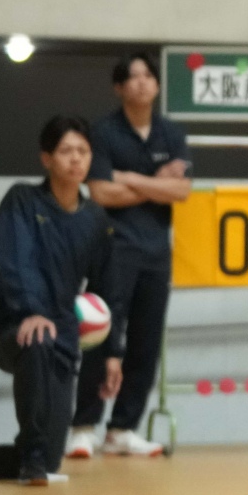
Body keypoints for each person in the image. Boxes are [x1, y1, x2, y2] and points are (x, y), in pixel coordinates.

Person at [0, 117, 115, 485]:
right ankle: (32, 464)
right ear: (46, 158)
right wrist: (32, 312)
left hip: (63, 338)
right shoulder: (22, 200)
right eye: (66, 150)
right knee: (37, 340)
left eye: (83, 151)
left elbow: (106, 289)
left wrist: (112, 352)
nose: (76, 158)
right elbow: (16, 263)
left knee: (50, 459)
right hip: (13, 328)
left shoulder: (95, 219)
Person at [72, 51, 191, 459]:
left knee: (146, 340)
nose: (141, 83)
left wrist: (129, 178)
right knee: (100, 332)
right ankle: (83, 426)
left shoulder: (171, 133)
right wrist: (155, 183)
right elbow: (101, 193)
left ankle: (122, 429)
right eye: (132, 77)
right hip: (115, 248)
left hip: (157, 252)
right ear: (119, 87)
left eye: (148, 76)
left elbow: (182, 191)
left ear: (157, 85)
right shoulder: (104, 132)